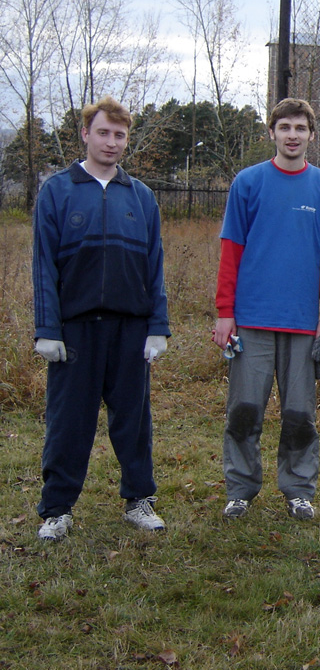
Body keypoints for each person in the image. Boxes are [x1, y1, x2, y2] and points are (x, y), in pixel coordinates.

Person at [32, 96, 170, 541]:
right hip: (75, 332)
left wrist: (157, 326)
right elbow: (43, 266)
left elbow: (154, 267)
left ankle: (139, 500)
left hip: (130, 330)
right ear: (86, 134)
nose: (111, 142)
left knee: (133, 421)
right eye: (104, 133)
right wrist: (47, 329)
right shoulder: (58, 191)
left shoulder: (141, 196)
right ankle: (57, 509)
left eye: (120, 135)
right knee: (69, 422)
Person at [212, 98, 320, 521]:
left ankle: (299, 490)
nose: (292, 135)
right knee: (244, 410)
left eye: (300, 128)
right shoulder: (248, 183)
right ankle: (241, 489)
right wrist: (225, 312)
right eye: (284, 127)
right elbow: (231, 251)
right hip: (251, 319)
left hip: (303, 323)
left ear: (311, 136)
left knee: (299, 414)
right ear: (271, 133)